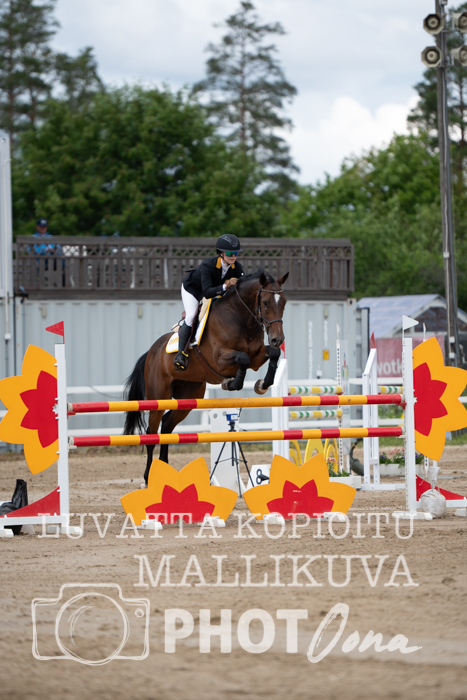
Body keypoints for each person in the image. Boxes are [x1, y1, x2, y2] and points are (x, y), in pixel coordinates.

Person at [174, 234, 244, 370]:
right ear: (221, 253)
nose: (233, 256)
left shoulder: (237, 268)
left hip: (214, 290)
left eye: (236, 253)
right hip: (193, 289)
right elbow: (207, 293)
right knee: (191, 315)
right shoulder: (208, 265)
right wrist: (225, 286)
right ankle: (180, 354)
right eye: (230, 253)